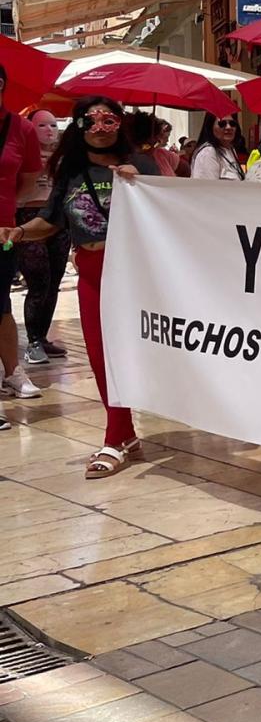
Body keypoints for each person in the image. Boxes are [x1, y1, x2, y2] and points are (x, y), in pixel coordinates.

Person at [0, 97, 161, 477]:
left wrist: (144, 182)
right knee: (101, 355)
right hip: (91, 270)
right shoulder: (71, 171)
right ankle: (120, 433)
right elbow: (51, 219)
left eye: (109, 119)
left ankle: (122, 434)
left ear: (120, 124)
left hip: (136, 271)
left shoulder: (142, 164)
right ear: (79, 125)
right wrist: (19, 232)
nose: (100, 127)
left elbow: (173, 209)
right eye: (91, 120)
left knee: (139, 351)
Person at [0, 72, 45, 406]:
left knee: (2, 304)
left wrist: (8, 213)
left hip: (3, 231)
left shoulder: (21, 128)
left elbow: (29, 181)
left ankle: (12, 371)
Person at [16, 109, 69, 367]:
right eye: (42, 126)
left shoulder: (64, 157)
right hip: (28, 216)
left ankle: (42, 335)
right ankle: (33, 340)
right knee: (39, 279)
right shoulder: (22, 153)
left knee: (55, 278)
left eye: (53, 124)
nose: (49, 130)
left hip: (59, 219)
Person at [190, 112, 247, 180]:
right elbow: (207, 188)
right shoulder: (208, 152)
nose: (228, 127)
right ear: (210, 127)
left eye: (232, 124)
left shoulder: (231, 149)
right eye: (222, 124)